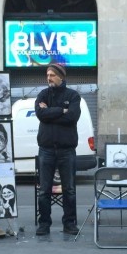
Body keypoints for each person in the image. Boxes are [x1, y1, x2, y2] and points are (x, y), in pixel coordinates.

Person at [35, 63, 81, 236]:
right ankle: (44, 224)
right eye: (47, 75)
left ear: (61, 76)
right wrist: (61, 110)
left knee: (69, 189)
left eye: (52, 75)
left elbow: (72, 117)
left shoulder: (73, 95)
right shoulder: (43, 94)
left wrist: (51, 114)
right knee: (44, 190)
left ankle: (69, 223)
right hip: (46, 150)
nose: (49, 78)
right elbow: (40, 114)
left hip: (66, 150)